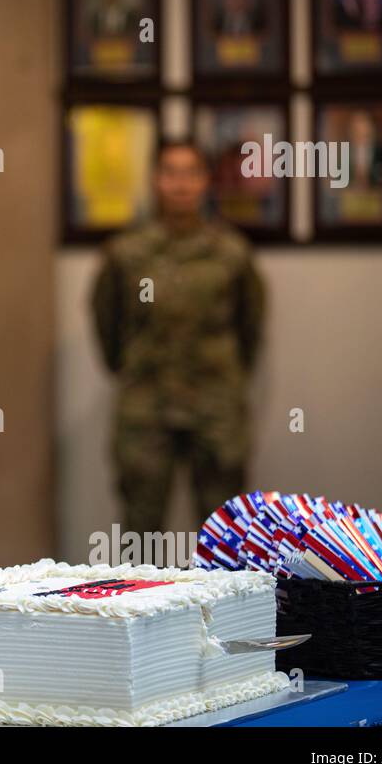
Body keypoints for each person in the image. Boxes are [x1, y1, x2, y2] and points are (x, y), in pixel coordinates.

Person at [90, 139, 265, 538]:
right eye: (170, 172)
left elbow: (250, 327)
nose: (180, 184)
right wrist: (130, 366)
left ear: (206, 181)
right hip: (146, 405)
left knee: (226, 534)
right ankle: (138, 602)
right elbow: (107, 322)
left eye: (191, 173)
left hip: (215, 404)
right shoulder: (126, 253)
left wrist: (227, 374)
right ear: (155, 179)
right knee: (142, 536)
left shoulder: (232, 253)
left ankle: (224, 605)